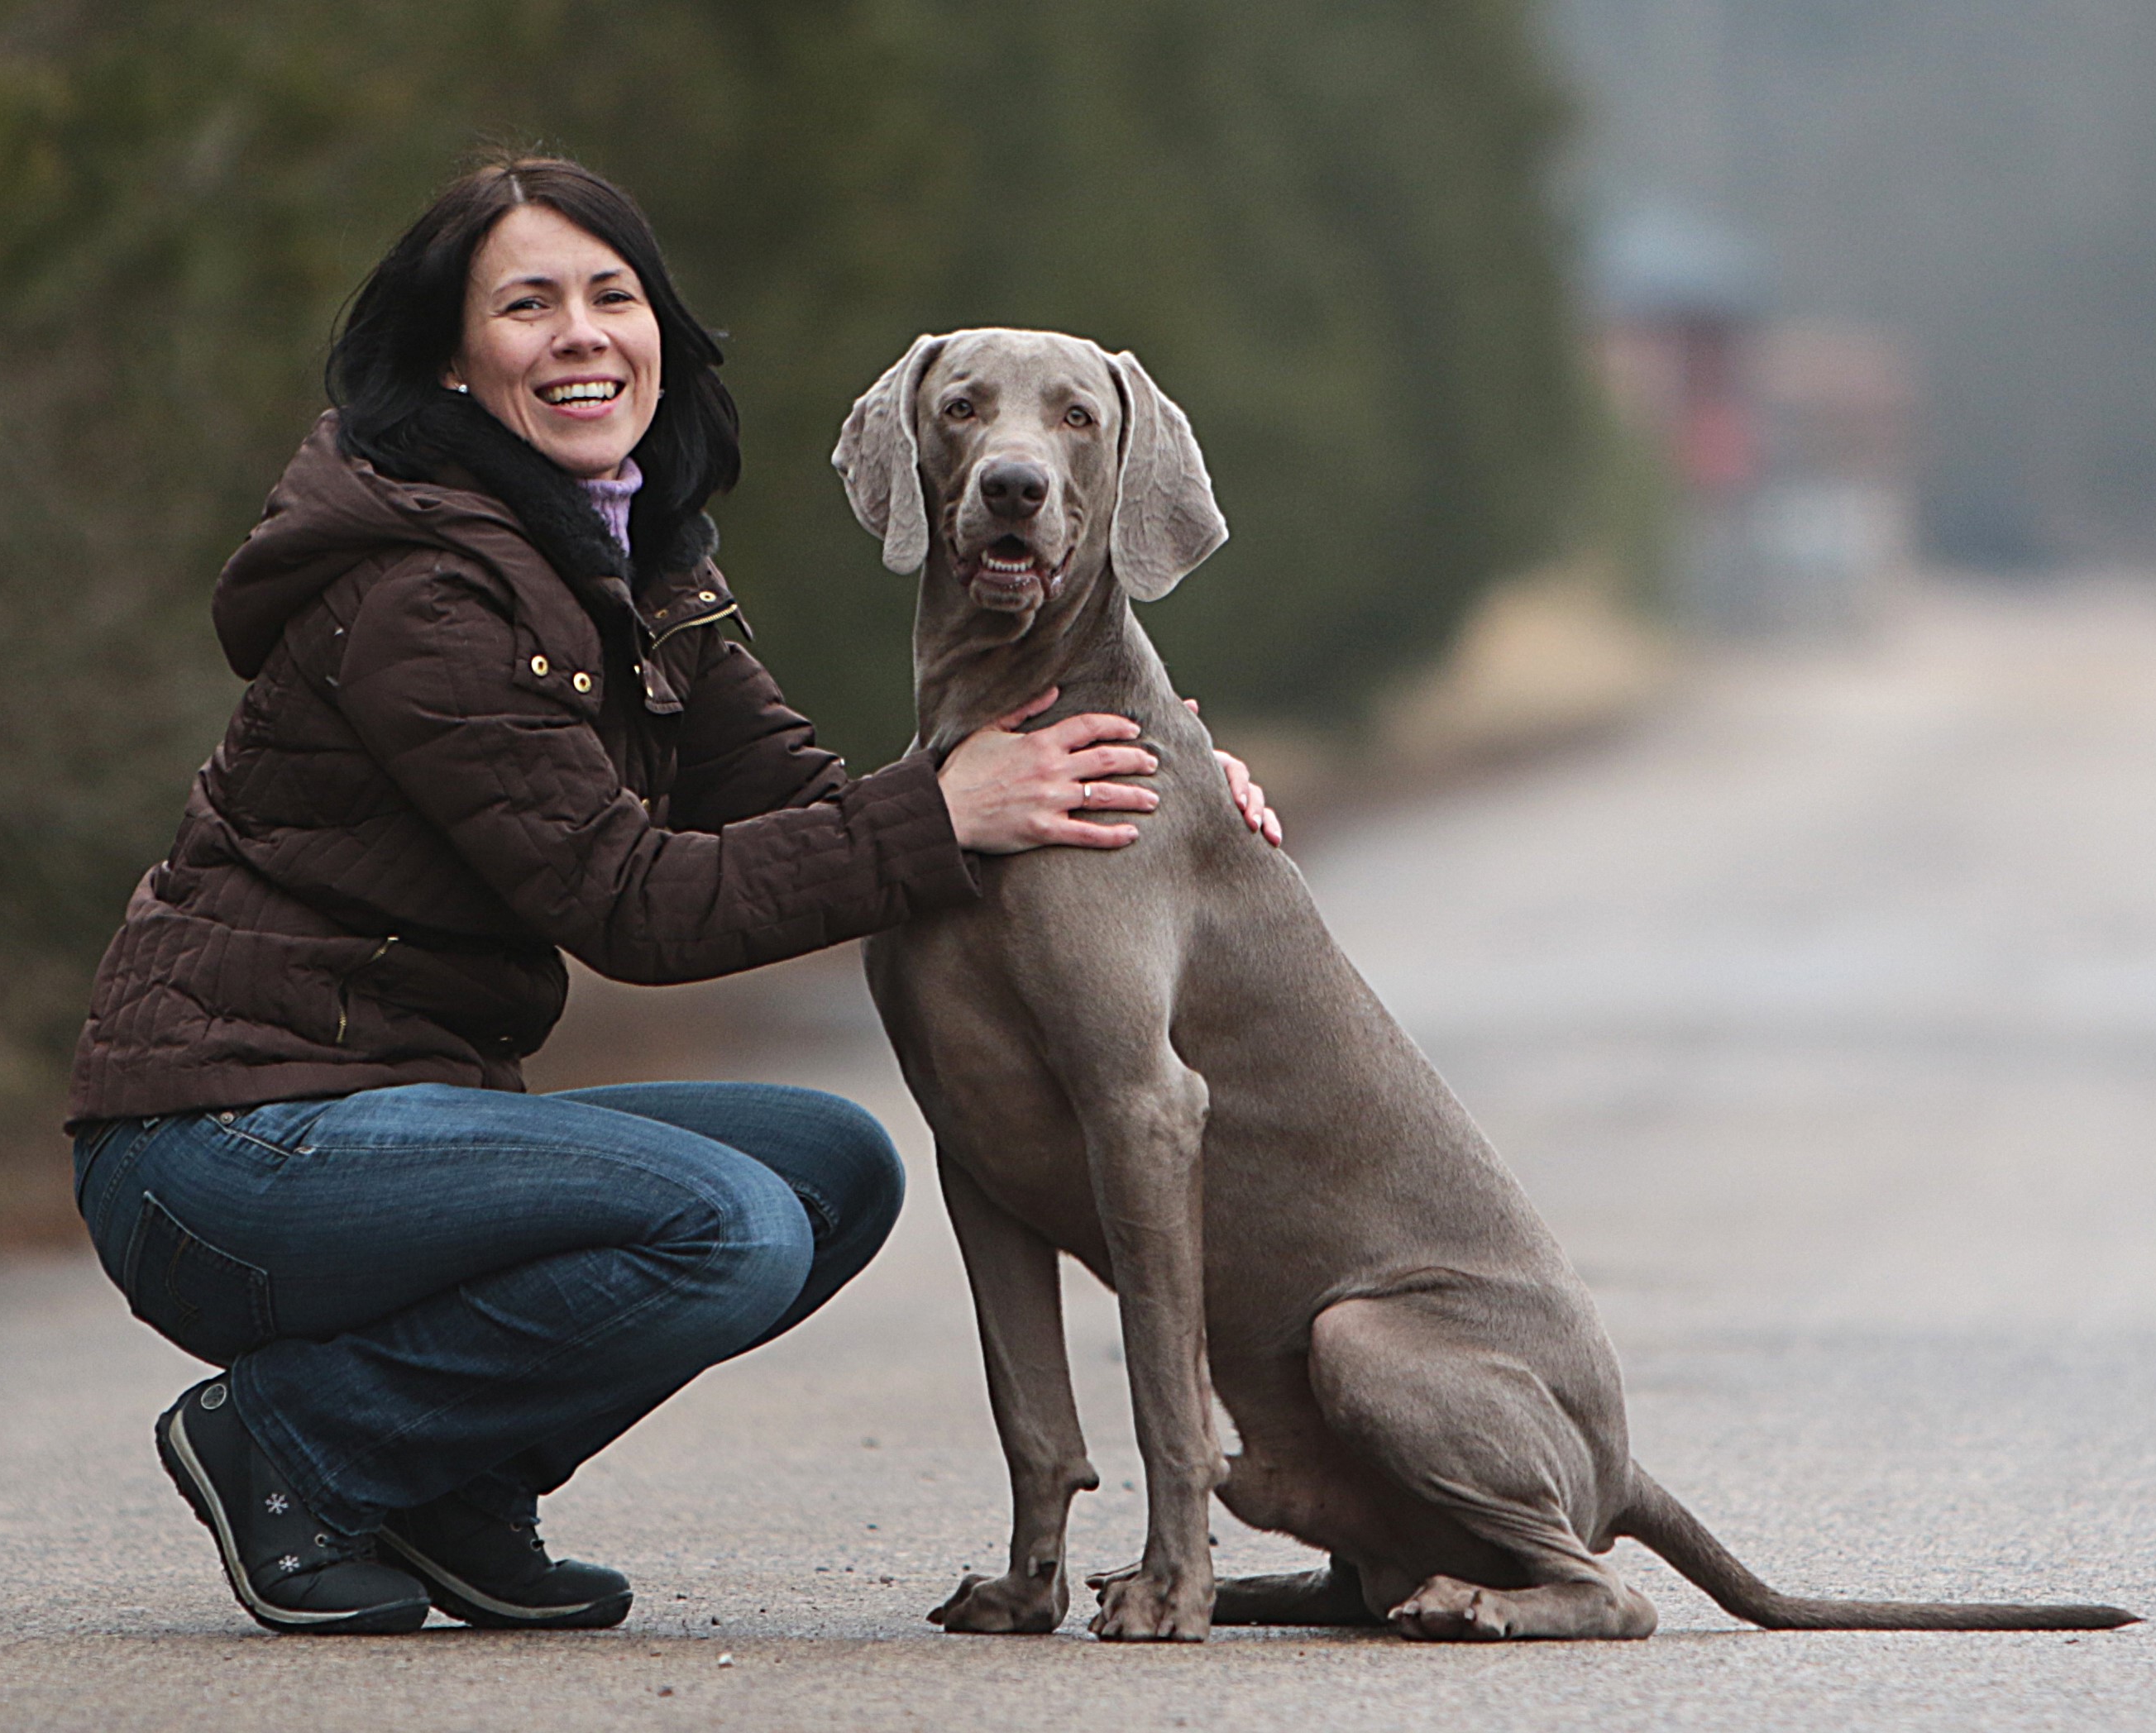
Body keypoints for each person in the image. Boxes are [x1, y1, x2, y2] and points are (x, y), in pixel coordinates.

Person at [65, 156, 1277, 1637]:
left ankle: (449, 1486)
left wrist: (1149, 794)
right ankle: (298, 1441)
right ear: (453, 362)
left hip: (412, 1116)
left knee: (836, 1169)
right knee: (729, 1229)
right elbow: (633, 905)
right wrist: (949, 805)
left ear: (657, 337)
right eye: (528, 306)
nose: (581, 333)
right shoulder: (416, 594)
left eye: (611, 296)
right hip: (228, 1148)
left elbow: (805, 807)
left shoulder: (631, 564)